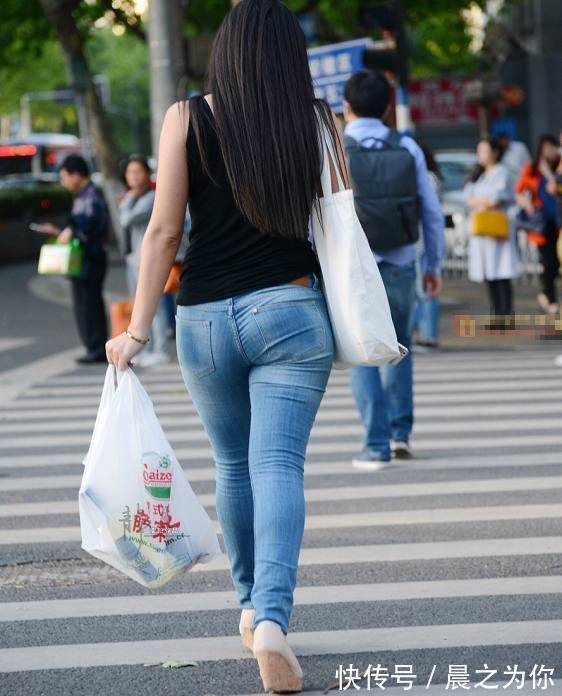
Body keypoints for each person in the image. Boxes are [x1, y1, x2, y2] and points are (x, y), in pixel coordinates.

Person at [105, 1, 348, 692]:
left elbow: (161, 231)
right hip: (291, 309)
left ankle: (247, 607)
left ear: (225, 52)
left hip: (204, 319)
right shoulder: (318, 120)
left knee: (232, 464)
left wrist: (137, 329)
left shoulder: (185, 118)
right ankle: (272, 618)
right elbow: (340, 222)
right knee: (278, 465)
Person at [341, 69, 445, 466]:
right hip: (402, 261)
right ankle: (400, 435)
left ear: (346, 107)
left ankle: (375, 443)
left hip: (354, 270)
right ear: (387, 107)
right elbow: (432, 213)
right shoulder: (409, 147)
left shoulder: (335, 149)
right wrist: (432, 263)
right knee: (399, 348)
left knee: (361, 352)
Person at [36, 154, 109, 363]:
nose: (63, 181)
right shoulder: (83, 195)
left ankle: (96, 348)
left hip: (91, 258)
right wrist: (64, 230)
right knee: (85, 303)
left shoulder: (92, 196)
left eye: (64, 176)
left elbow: (89, 227)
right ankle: (93, 347)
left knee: (90, 304)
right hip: (85, 258)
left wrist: (72, 230)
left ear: (76, 175)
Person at [119, 154, 171, 366]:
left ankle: (160, 349)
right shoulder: (133, 198)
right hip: (133, 259)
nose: (134, 176)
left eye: (138, 171)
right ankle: (145, 348)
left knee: (154, 307)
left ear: (147, 174)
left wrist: (128, 198)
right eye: (130, 172)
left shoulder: (151, 197)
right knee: (138, 305)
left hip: (148, 260)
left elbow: (126, 219)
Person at [464, 137, 520, 327]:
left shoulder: (502, 172)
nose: (481, 155)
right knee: (489, 274)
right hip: (483, 231)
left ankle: (506, 315)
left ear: (495, 152)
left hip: (497, 230)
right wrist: (483, 201)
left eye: (484, 151)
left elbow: (494, 199)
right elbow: (469, 197)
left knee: (502, 274)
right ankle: (497, 315)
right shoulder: (478, 174)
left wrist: (480, 200)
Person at [515, 134, 561, 314]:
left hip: (558, 221)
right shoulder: (531, 169)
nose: (550, 151)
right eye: (547, 147)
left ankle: (546, 294)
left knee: (555, 262)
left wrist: (551, 176)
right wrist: (527, 203)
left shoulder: (557, 168)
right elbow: (519, 192)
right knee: (549, 261)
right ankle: (550, 299)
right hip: (541, 223)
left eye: (553, 147)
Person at [411, 141, 444, 350]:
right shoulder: (427, 177)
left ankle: (430, 334)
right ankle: (425, 332)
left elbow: (430, 214)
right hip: (421, 240)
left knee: (426, 290)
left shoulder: (427, 178)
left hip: (422, 240)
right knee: (421, 290)